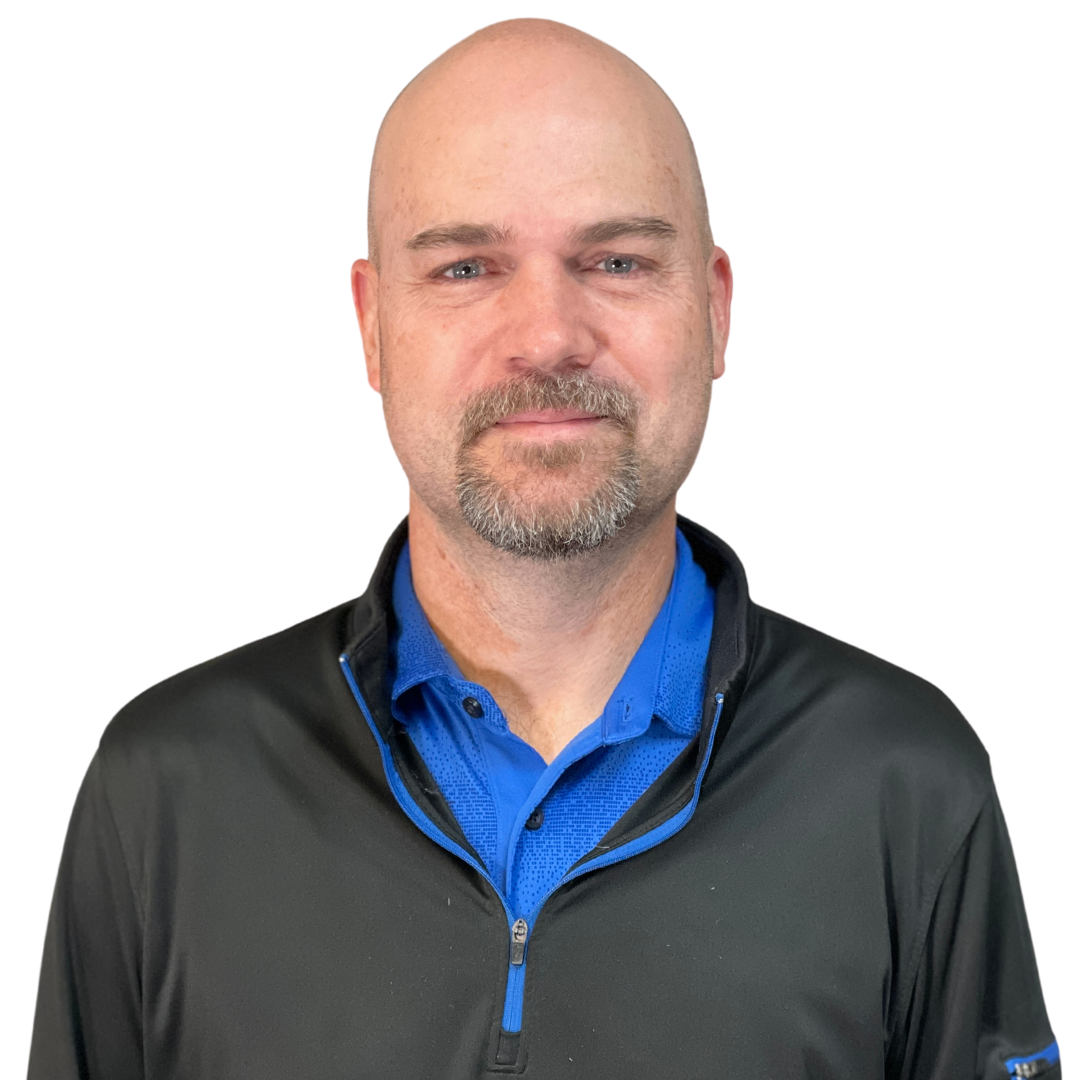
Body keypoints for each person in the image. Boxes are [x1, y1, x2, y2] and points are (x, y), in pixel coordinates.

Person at [28, 18, 1058, 1080]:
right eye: (466, 267)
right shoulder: (168, 792)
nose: (548, 335)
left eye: (616, 261)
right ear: (373, 326)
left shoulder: (902, 783)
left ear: (714, 308)